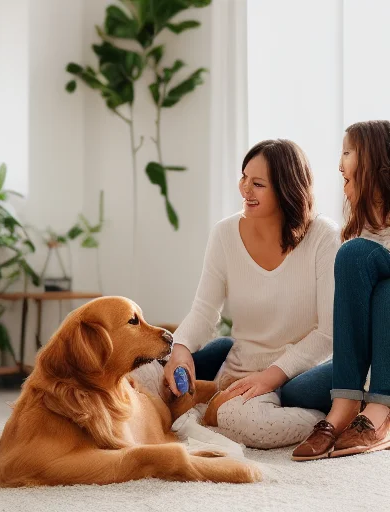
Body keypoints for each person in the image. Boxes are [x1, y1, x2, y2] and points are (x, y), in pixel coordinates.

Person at [161, 139, 341, 449]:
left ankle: (335, 421)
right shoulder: (225, 234)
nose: (245, 189)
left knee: (242, 421)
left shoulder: (323, 236)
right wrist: (180, 349)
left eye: (257, 184)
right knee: (145, 375)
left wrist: (270, 377)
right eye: (244, 177)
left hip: (297, 373)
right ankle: (221, 407)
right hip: (240, 371)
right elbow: (205, 312)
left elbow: (327, 333)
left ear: (286, 190)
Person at [293, 120, 390, 460]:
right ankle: (350, 401)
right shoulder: (357, 230)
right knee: (296, 392)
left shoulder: (359, 251)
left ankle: (374, 411)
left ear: (375, 159)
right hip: (362, 361)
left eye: (347, 152)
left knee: (384, 289)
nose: (338, 164)